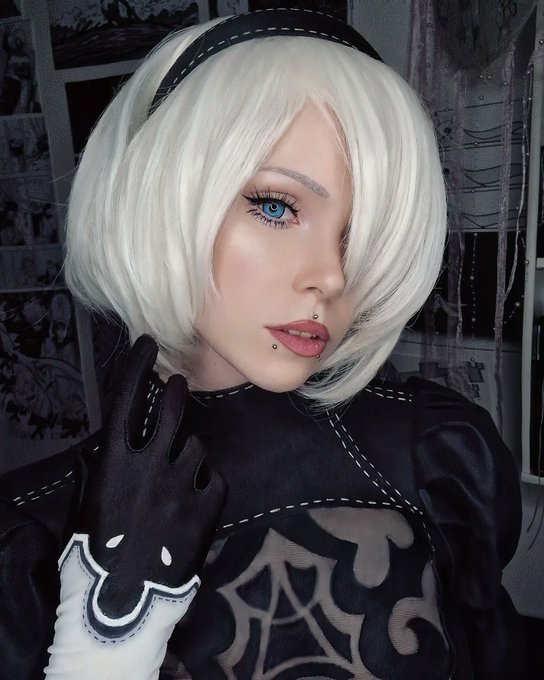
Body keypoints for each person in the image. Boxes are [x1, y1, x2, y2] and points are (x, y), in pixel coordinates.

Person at [0, 9, 525, 680]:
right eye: (276, 206)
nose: (333, 276)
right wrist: (105, 644)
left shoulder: (437, 455)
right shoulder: (30, 532)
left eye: (359, 234)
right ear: (160, 200)